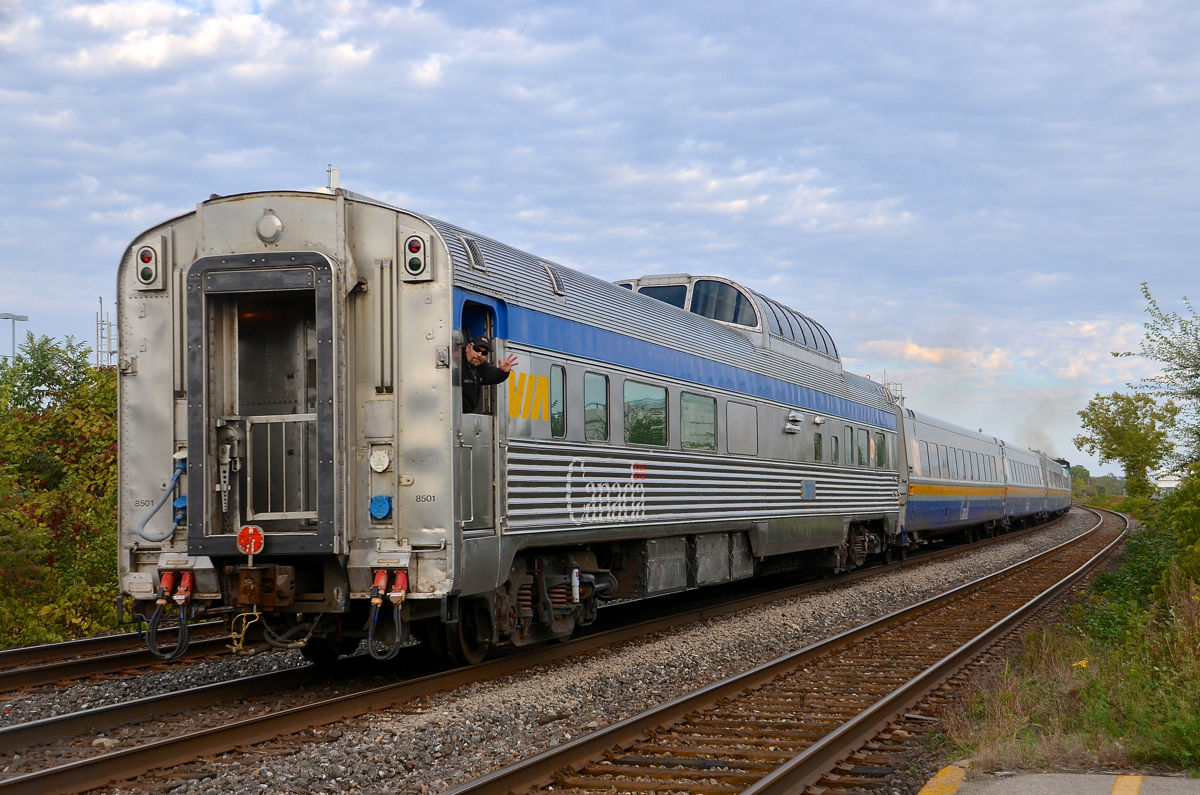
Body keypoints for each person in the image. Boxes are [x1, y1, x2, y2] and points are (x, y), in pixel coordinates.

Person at [461, 335, 517, 413]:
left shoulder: (481, 366)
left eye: (484, 353)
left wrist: (503, 372)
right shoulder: (456, 361)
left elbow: (493, 375)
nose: (479, 355)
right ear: (468, 347)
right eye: (477, 349)